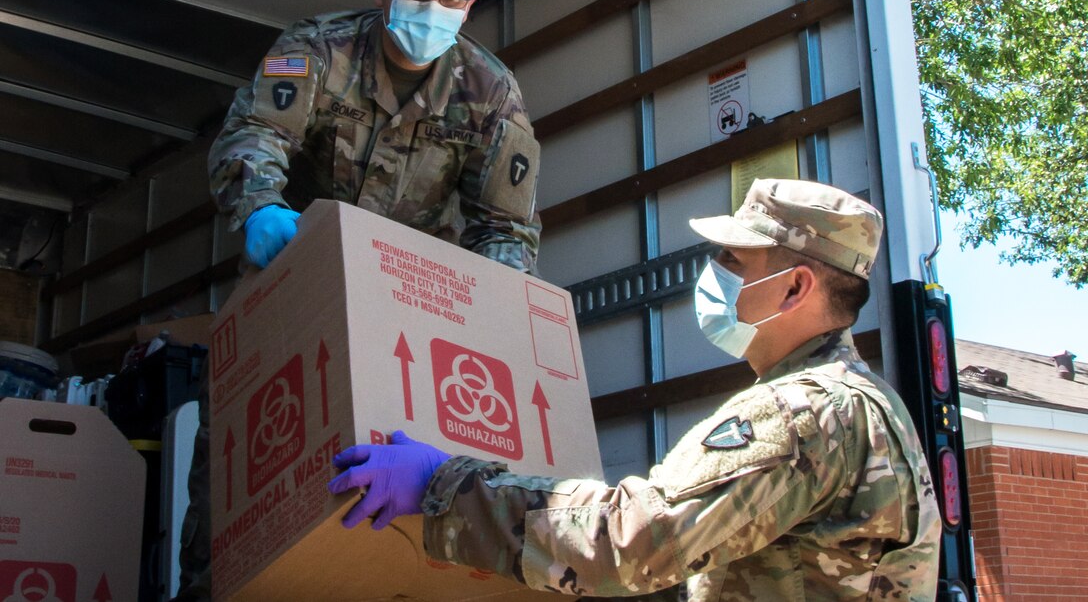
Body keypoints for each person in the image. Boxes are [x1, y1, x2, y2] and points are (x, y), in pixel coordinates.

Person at [327, 178, 942, 601]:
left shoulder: (803, 410)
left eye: (734, 259)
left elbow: (634, 541)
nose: (715, 273)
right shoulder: (863, 403)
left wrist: (443, 488)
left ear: (794, 288)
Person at [172, 0, 541, 601]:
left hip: (408, 321)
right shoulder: (317, 50)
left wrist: (490, 310)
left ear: (470, 4)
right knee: (233, 497)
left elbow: (506, 226)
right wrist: (259, 207)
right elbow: (253, 132)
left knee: (383, 509)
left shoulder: (490, 93)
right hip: (291, 290)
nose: (432, 12)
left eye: (449, 1)